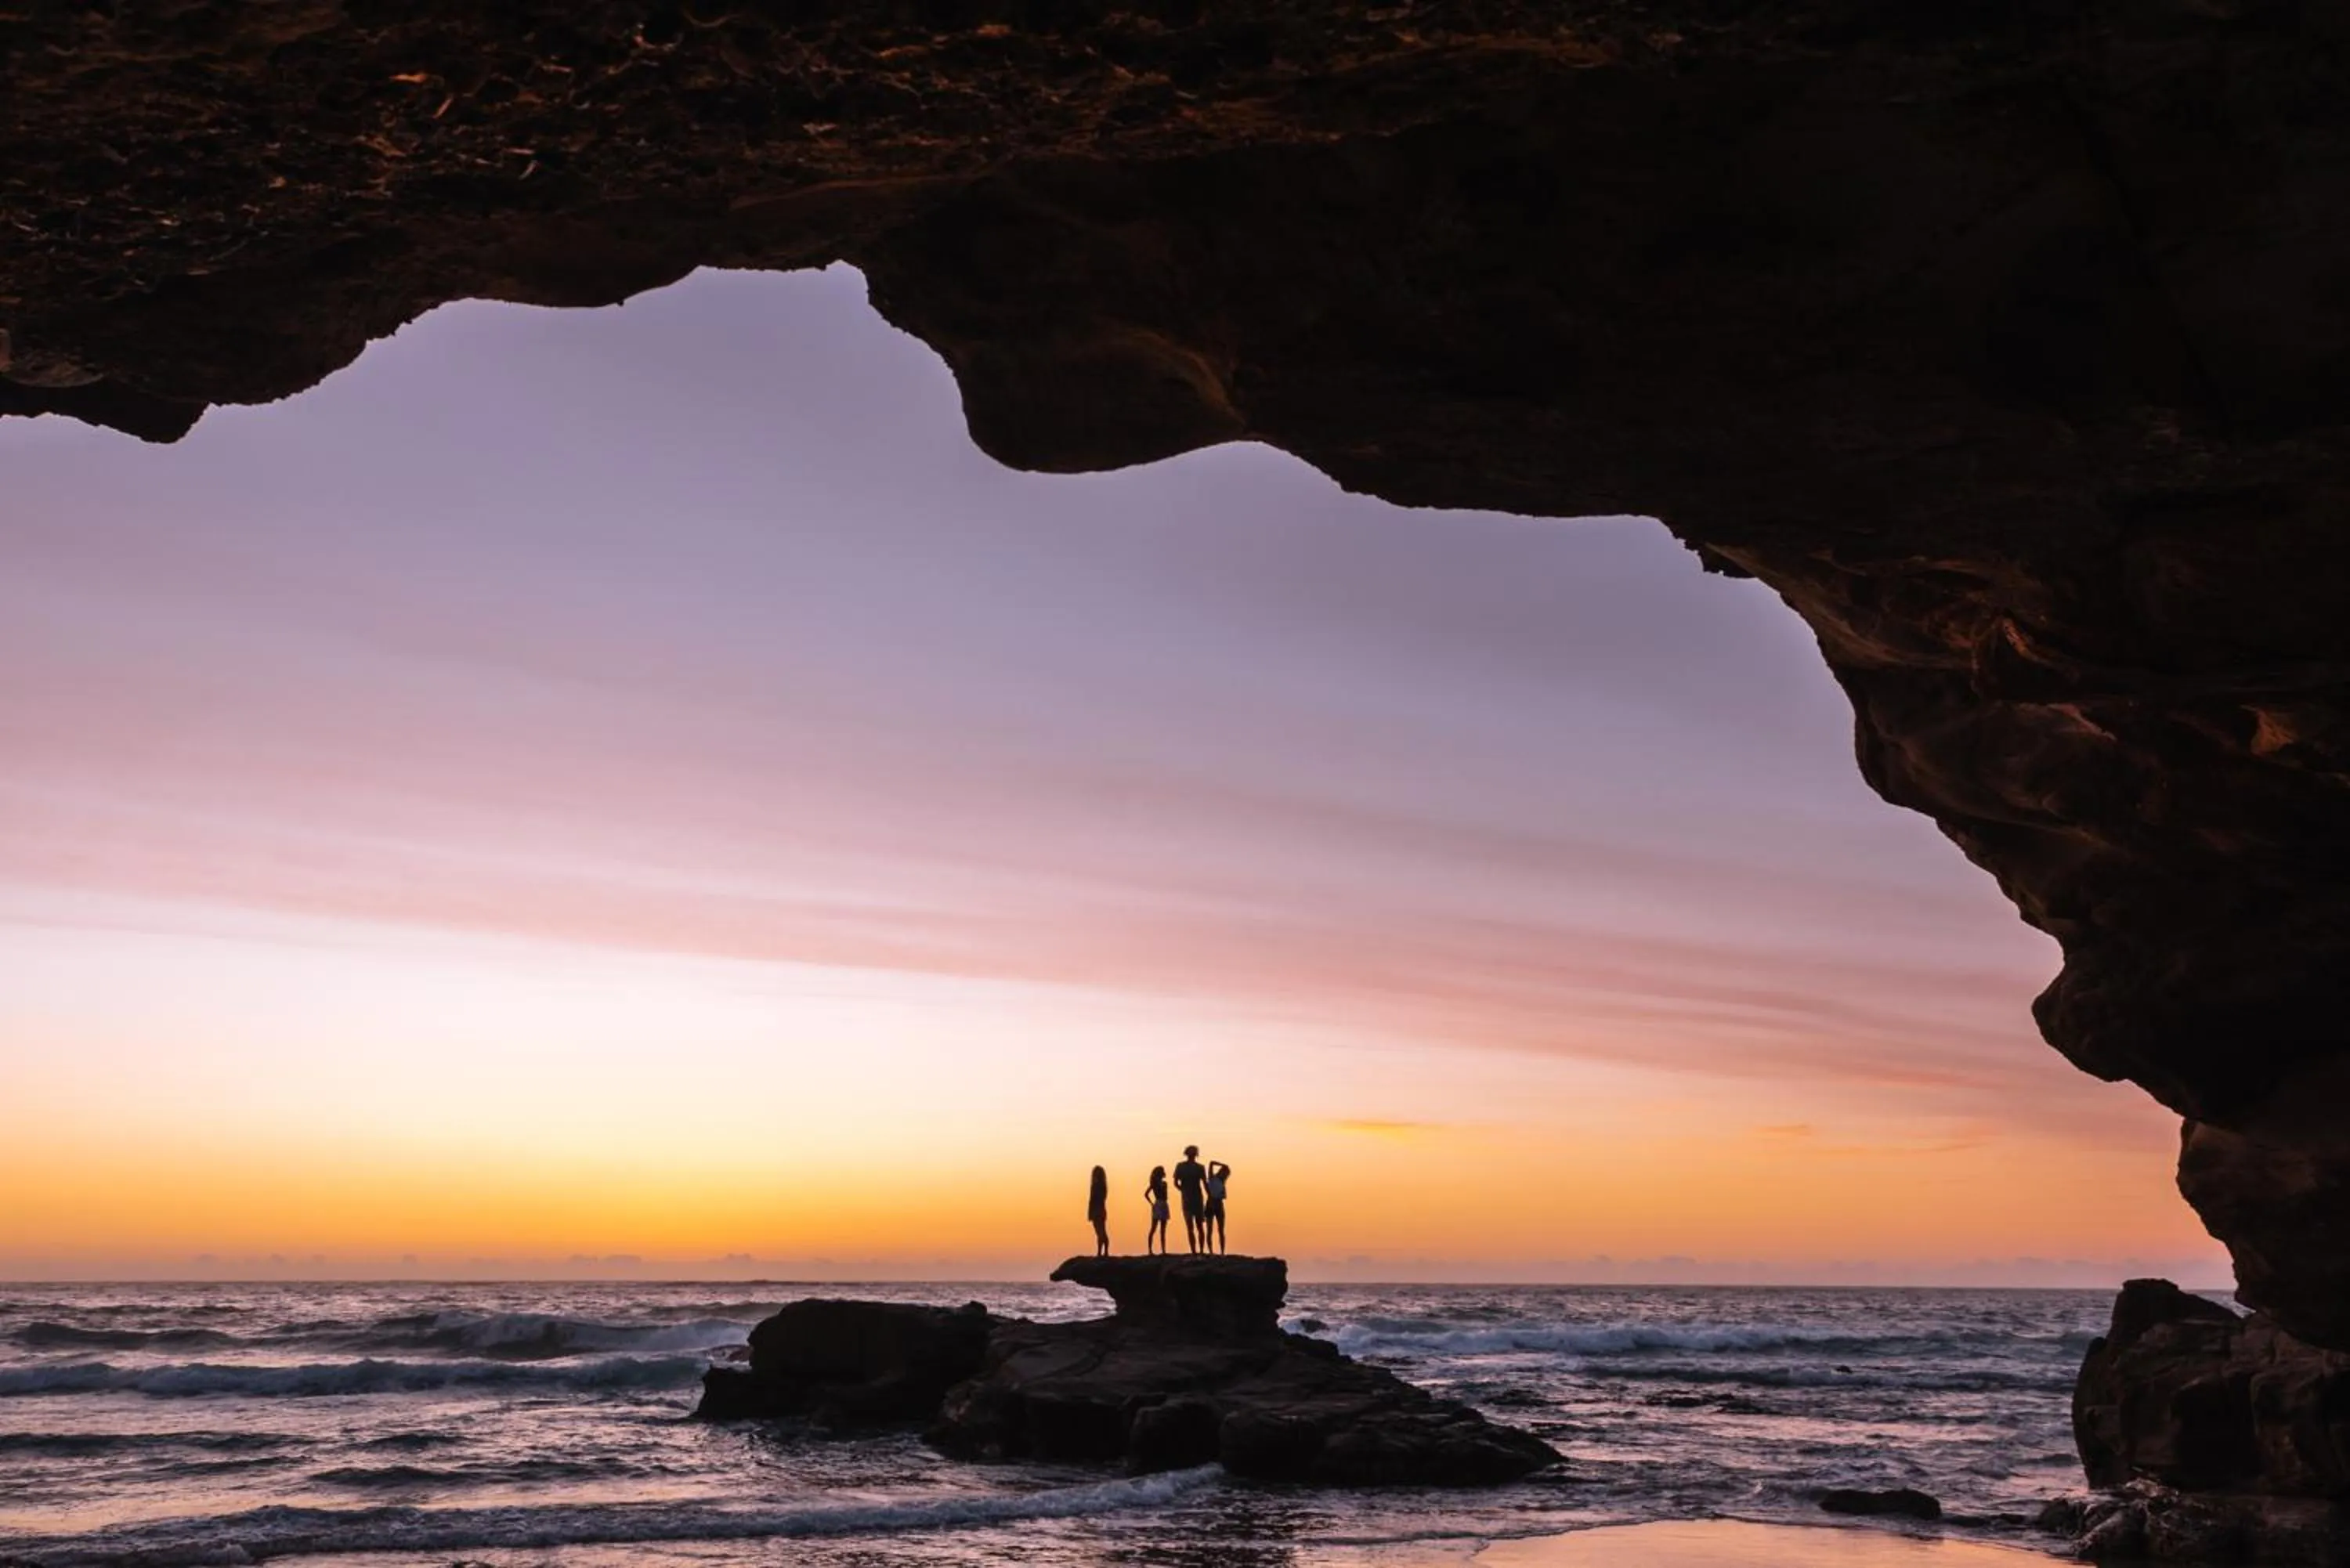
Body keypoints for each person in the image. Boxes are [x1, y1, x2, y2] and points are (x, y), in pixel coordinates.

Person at [1172, 1145, 1209, 1254]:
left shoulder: (1200, 1167)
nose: (1192, 1155)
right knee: (1191, 1227)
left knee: (1199, 1226)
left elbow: (1205, 1184)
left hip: (1197, 1199)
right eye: (1190, 1153)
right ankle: (1194, 1251)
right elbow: (1175, 1183)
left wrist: (1210, 1197)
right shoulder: (1180, 1166)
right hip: (1187, 1199)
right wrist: (1183, 1191)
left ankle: (1201, 1251)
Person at [1204, 1158, 1231, 1254]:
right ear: (1221, 1172)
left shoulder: (1222, 1182)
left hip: (1219, 1204)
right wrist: (1223, 1164)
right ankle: (1211, 1252)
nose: (1226, 1176)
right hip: (1211, 1203)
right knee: (1209, 1229)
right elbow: (1211, 1163)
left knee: (1221, 1229)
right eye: (1225, 1173)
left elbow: (1223, 1195)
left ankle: (1222, 1252)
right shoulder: (1212, 1177)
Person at [1144, 1165, 1171, 1255]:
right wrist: (1152, 1204)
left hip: (1164, 1204)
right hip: (1159, 1203)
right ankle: (1150, 1250)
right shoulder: (1154, 1184)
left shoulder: (1164, 1183)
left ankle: (1163, 1250)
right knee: (1154, 1228)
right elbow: (1146, 1194)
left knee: (1163, 1229)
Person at [1087, 1165, 1111, 1257]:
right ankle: (1104, 1252)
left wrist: (1089, 1213)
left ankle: (1101, 1252)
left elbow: (1092, 1200)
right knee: (1103, 1231)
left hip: (1096, 1210)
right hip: (1102, 1210)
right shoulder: (1104, 1186)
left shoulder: (1095, 1186)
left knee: (1100, 1232)